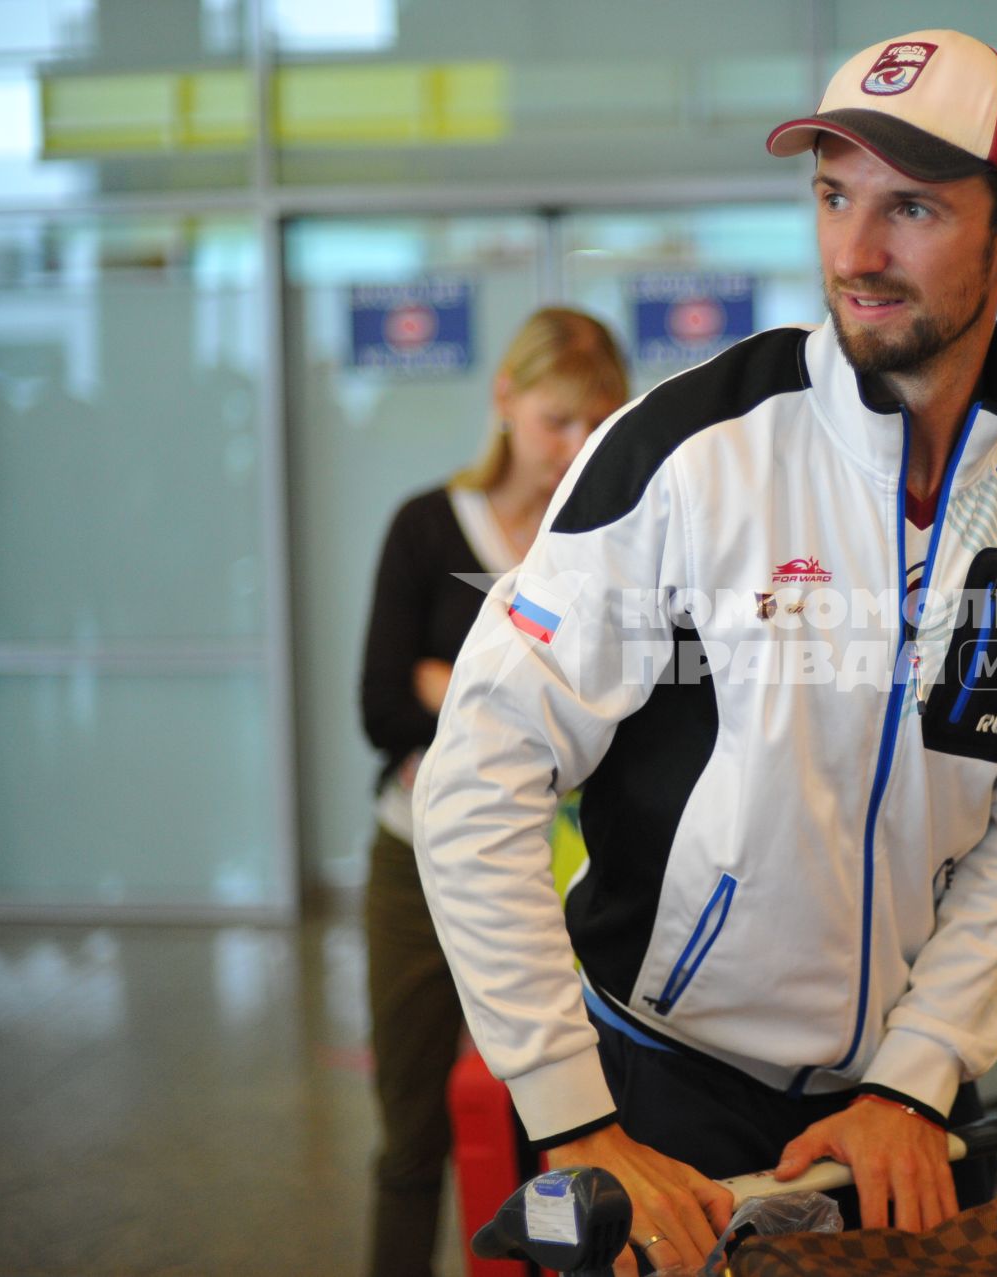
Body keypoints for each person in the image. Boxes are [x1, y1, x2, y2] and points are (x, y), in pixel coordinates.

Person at [413, 30, 997, 1275]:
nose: (855, 251)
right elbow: (475, 773)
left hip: (903, 1112)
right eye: (834, 194)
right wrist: (576, 1118)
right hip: (654, 1092)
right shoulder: (693, 449)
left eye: (911, 206)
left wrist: (919, 1074)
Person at [358, 308, 628, 1277]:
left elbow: (625, 709)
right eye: (558, 419)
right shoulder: (429, 526)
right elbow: (385, 704)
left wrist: (455, 679)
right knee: (413, 1126)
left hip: (572, 867)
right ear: (504, 399)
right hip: (417, 860)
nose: (572, 447)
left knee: (555, 1120)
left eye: (597, 422)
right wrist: (512, 702)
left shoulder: (608, 533)